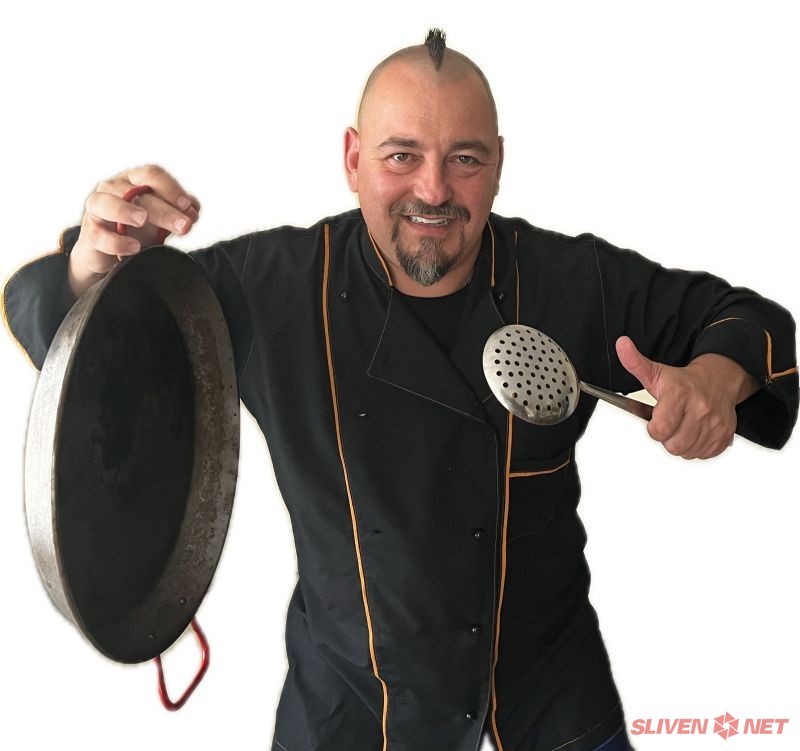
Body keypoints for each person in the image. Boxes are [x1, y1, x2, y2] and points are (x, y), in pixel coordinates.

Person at [3, 29, 797, 751]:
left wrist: (714, 378)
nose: (434, 190)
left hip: (552, 700)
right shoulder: (269, 289)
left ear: (499, 164)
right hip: (351, 710)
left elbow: (750, 318)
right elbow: (79, 338)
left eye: (465, 158)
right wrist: (95, 271)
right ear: (352, 159)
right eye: (401, 156)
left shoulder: (570, 279)